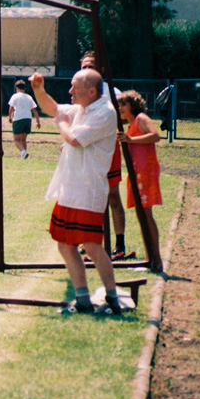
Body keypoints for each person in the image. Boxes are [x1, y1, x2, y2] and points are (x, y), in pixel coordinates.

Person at [29, 68, 122, 315]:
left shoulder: (104, 113)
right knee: (64, 244)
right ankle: (82, 300)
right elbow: (54, 109)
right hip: (71, 189)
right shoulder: (83, 108)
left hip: (87, 191)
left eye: (74, 87)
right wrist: (39, 90)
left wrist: (61, 124)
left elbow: (74, 139)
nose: (70, 91)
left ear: (91, 91)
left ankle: (112, 298)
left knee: (91, 245)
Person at [80, 52, 131, 259]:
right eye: (83, 67)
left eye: (90, 66)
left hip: (108, 149)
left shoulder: (111, 91)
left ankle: (119, 244)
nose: (86, 70)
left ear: (100, 69)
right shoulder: (78, 91)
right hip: (88, 150)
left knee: (112, 196)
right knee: (89, 197)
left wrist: (115, 128)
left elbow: (127, 115)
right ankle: (90, 242)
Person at [117, 90, 164, 271]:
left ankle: (156, 260)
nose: (120, 108)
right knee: (140, 215)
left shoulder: (141, 119)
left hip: (145, 171)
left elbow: (155, 136)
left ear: (134, 106)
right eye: (119, 105)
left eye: (124, 105)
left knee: (146, 215)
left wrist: (131, 139)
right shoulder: (128, 126)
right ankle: (148, 258)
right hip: (135, 172)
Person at [7, 80, 40, 159]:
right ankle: (23, 156)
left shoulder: (15, 96)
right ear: (25, 88)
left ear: (16, 88)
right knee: (23, 139)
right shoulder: (29, 97)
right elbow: (34, 110)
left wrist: (10, 117)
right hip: (28, 119)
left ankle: (23, 152)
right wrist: (38, 121)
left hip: (18, 118)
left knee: (16, 140)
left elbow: (11, 108)